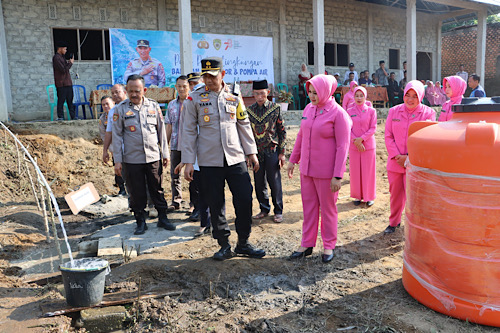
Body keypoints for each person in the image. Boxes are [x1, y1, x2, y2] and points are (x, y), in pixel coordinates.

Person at [181, 56, 265, 261]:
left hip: (235, 158)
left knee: (245, 198)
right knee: (215, 203)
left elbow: (243, 126)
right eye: (206, 77)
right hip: (209, 161)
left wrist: (251, 153)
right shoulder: (194, 98)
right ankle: (224, 244)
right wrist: (189, 161)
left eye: (213, 76)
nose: (209, 81)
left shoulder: (234, 97)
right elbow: (189, 130)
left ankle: (243, 242)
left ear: (223, 74)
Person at [287, 74, 352, 263]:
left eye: (316, 93)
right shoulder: (308, 108)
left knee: (328, 209)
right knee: (309, 208)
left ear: (326, 91)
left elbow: (342, 147)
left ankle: (329, 245)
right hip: (307, 170)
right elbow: (301, 135)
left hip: (326, 173)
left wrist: (338, 176)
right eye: (310, 92)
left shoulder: (339, 114)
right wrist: (293, 159)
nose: (312, 96)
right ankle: (307, 243)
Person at [112, 74, 174, 235]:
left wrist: (165, 153)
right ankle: (140, 221)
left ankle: (163, 218)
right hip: (132, 159)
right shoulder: (120, 109)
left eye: (137, 91)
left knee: (157, 188)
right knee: (136, 191)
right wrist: (117, 161)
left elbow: (161, 132)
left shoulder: (153, 106)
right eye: (131, 91)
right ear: (126, 91)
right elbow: (117, 137)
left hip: (153, 157)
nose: (134, 94)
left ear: (144, 90)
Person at [384, 80, 436, 234]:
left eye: (415, 96)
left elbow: (427, 138)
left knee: (414, 197)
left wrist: (409, 158)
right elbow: (388, 136)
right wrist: (397, 156)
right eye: (408, 95)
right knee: (395, 194)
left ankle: (414, 226)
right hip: (395, 162)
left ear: (420, 96)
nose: (410, 99)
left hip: (414, 163)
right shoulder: (393, 111)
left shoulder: (428, 113)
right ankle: (393, 222)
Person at [247, 79, 286, 223]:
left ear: (267, 93)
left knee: (274, 181)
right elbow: (247, 134)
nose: (259, 97)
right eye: (256, 94)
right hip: (256, 153)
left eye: (262, 93)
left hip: (272, 150)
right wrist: (248, 154)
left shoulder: (275, 109)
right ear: (253, 94)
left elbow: (282, 132)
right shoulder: (249, 111)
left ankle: (278, 210)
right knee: (259, 182)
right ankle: (264, 208)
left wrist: (282, 153)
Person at [347, 86, 377, 207]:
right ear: (353, 97)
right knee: (355, 171)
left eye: (361, 96)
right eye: (357, 96)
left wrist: (362, 139)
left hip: (368, 146)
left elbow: (373, 128)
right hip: (354, 146)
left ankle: (369, 196)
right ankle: (357, 196)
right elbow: (347, 128)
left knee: (368, 171)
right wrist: (356, 141)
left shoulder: (371, 111)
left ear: (365, 97)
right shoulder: (349, 111)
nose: (359, 98)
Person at [164, 75, 190, 212]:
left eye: (184, 86)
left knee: (192, 175)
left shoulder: (192, 103)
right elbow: (169, 126)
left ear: (189, 87)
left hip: (190, 146)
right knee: (175, 174)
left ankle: (194, 204)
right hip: (175, 144)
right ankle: (176, 201)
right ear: (176, 87)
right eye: (179, 86)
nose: (181, 89)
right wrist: (165, 147)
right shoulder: (172, 105)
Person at [102, 84, 128, 196]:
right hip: (119, 150)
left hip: (134, 150)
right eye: (113, 93)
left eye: (117, 92)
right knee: (120, 171)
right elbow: (108, 132)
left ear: (124, 92)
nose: (115, 95)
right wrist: (105, 150)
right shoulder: (113, 112)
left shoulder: (132, 107)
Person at [52, 41, 76, 120]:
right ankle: (60, 117)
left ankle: (73, 117)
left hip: (67, 83)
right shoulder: (56, 58)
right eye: (65, 49)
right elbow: (63, 70)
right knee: (61, 101)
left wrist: (68, 62)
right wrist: (70, 63)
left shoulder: (62, 57)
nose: (65, 51)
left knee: (70, 101)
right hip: (61, 84)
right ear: (60, 49)